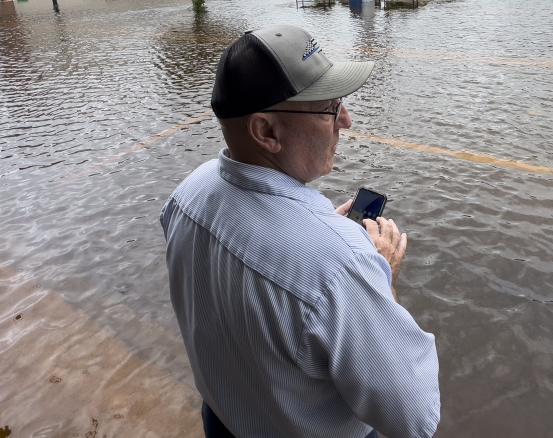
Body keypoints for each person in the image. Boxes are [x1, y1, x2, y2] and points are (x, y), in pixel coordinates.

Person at [160, 24, 440, 438]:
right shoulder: (339, 265)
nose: (345, 119)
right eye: (329, 108)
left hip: (222, 419)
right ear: (266, 131)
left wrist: (321, 229)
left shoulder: (187, 194)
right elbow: (414, 419)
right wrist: (380, 280)